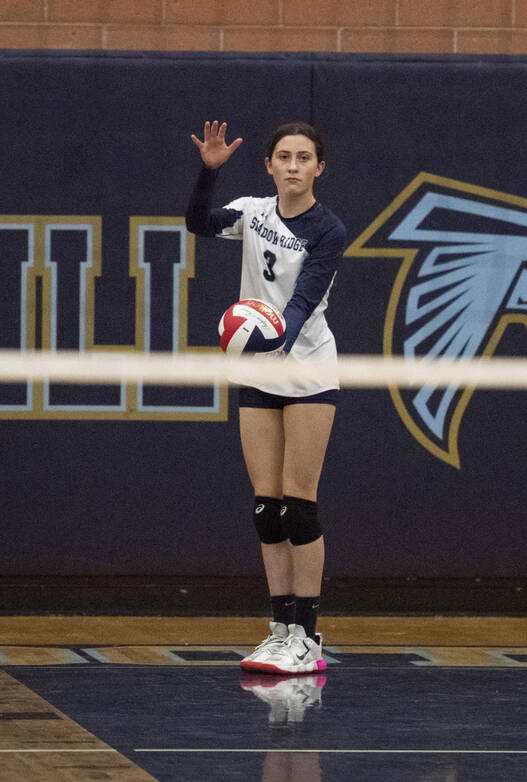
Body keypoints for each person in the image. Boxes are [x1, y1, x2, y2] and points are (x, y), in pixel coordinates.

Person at [187, 119, 348, 675]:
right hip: (258, 368)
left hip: (304, 368)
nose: (294, 166)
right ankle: (280, 629)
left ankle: (308, 635)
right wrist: (208, 174)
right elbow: (198, 223)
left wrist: (275, 336)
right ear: (270, 165)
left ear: (318, 168)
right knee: (266, 506)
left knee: (299, 504)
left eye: (305, 157)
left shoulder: (328, 229)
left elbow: (305, 298)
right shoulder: (253, 212)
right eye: (284, 156)